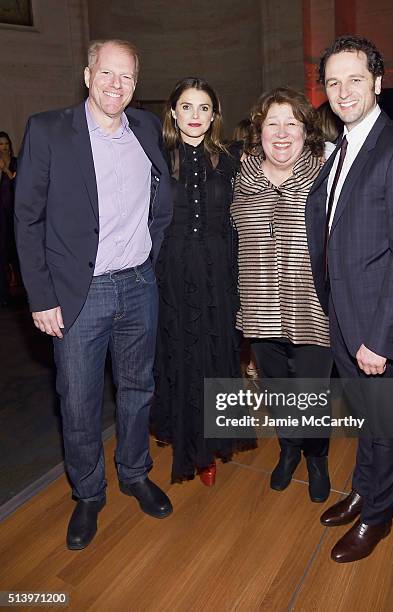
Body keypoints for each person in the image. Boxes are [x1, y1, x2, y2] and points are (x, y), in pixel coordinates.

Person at [14, 39, 173, 550]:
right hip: (80, 294)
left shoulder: (148, 128)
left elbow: (160, 206)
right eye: (106, 74)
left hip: (139, 284)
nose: (115, 85)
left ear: (135, 83)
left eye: (126, 77)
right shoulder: (49, 129)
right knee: (78, 401)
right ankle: (87, 493)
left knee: (137, 389)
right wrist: (40, 297)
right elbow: (27, 219)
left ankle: (133, 472)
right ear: (87, 75)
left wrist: (152, 260)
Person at [306, 35, 393, 562]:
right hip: (343, 311)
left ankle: (378, 515)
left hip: (382, 323)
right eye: (332, 82)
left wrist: (381, 340)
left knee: (383, 424)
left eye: (354, 78)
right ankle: (362, 489)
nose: (342, 90)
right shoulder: (341, 149)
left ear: (377, 83)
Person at [231, 87, 333, 502]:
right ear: (259, 130)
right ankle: (289, 449)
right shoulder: (239, 176)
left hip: (312, 309)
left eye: (291, 123)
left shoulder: (326, 174)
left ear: (305, 130)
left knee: (312, 391)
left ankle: (317, 457)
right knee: (276, 389)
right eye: (272, 123)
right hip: (258, 308)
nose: (281, 132)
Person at [152, 77, 254, 485]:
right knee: (180, 357)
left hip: (219, 274)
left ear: (215, 116)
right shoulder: (156, 159)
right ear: (174, 113)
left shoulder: (231, 159)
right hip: (170, 274)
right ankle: (186, 440)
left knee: (216, 357)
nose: (195, 116)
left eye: (204, 108)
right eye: (188, 107)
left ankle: (210, 447)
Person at [0, 131, 17, 305]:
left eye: (5, 143)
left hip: (14, 215)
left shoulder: (15, 162)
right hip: (1, 219)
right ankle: (4, 296)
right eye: (0, 144)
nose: (3, 147)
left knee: (17, 255)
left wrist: (5, 168)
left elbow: (16, 183)